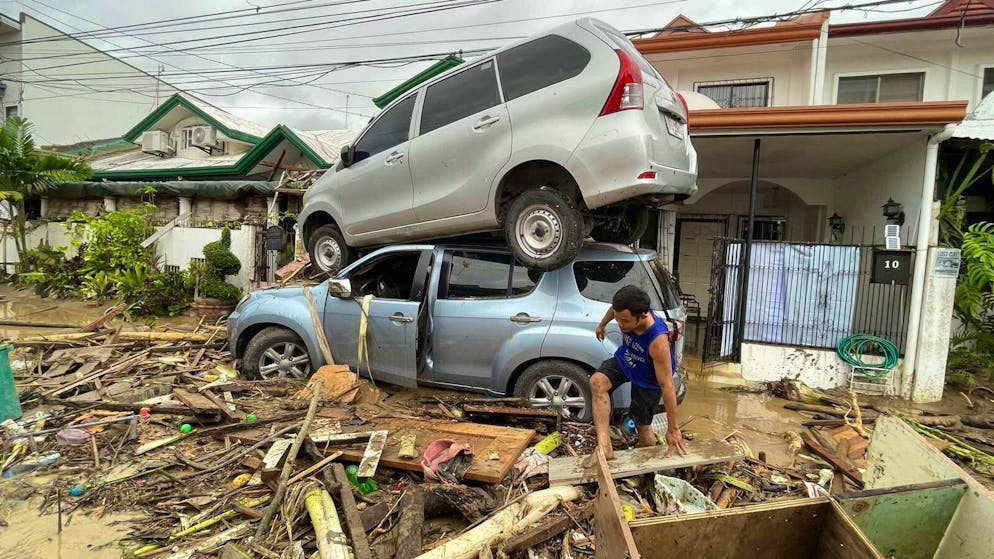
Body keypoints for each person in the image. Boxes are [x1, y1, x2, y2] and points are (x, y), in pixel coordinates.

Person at [590, 285, 687, 460]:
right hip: (629, 359)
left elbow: (667, 385)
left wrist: (673, 429)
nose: (620, 324)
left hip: (649, 379)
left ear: (642, 316)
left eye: (625, 321)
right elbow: (614, 310)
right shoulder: (626, 309)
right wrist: (602, 325)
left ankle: (647, 463)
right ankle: (605, 448)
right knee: (597, 382)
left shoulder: (658, 342)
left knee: (643, 427)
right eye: (619, 319)